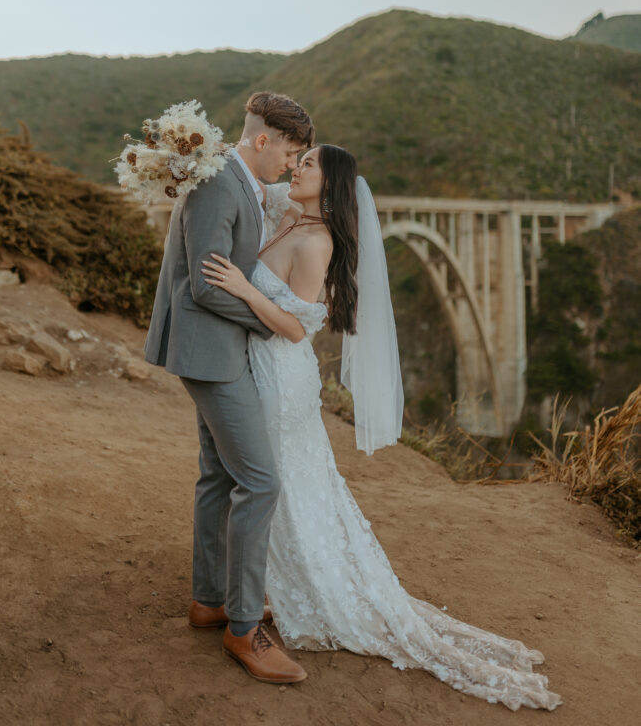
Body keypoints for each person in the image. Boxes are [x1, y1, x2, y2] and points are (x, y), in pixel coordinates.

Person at [201, 144, 562, 711]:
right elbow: (249, 176)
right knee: (288, 487)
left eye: (310, 164)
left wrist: (245, 289)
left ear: (332, 184)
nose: (297, 168)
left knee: (279, 486)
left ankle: (276, 602)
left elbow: (297, 328)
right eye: (298, 161)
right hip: (264, 374)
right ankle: (263, 595)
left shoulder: (316, 241)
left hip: (280, 379)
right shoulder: (292, 216)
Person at [144, 91, 315, 684]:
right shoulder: (220, 180)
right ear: (263, 140)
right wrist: (270, 318)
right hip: (212, 354)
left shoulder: (234, 175)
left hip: (213, 349)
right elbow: (208, 286)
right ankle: (244, 629)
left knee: (218, 474)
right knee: (260, 481)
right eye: (290, 153)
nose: (291, 166)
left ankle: (209, 600)